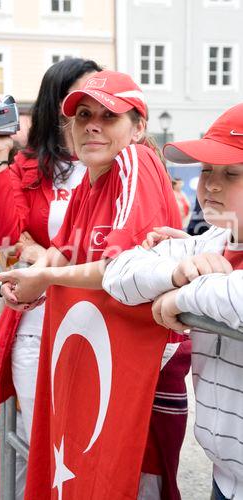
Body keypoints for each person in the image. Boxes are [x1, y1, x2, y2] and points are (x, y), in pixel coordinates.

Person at [0, 70, 183, 499]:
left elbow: (121, 269)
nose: (92, 124)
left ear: (138, 127)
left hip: (143, 366)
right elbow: (59, 252)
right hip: (106, 362)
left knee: (126, 480)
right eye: (82, 114)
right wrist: (27, 285)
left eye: (108, 115)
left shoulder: (135, 161)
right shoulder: (87, 181)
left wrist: (43, 276)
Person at [0, 58, 102, 498]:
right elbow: (4, 237)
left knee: (92, 447)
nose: (91, 113)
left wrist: (46, 252)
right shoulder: (27, 167)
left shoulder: (115, 162)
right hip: (37, 327)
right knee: (40, 445)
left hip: (98, 324)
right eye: (79, 103)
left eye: (99, 100)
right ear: (57, 105)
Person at [102, 102, 243, 500]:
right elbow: (118, 273)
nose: (211, 185)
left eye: (231, 174)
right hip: (224, 472)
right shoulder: (211, 239)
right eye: (207, 171)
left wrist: (182, 295)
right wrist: (177, 272)